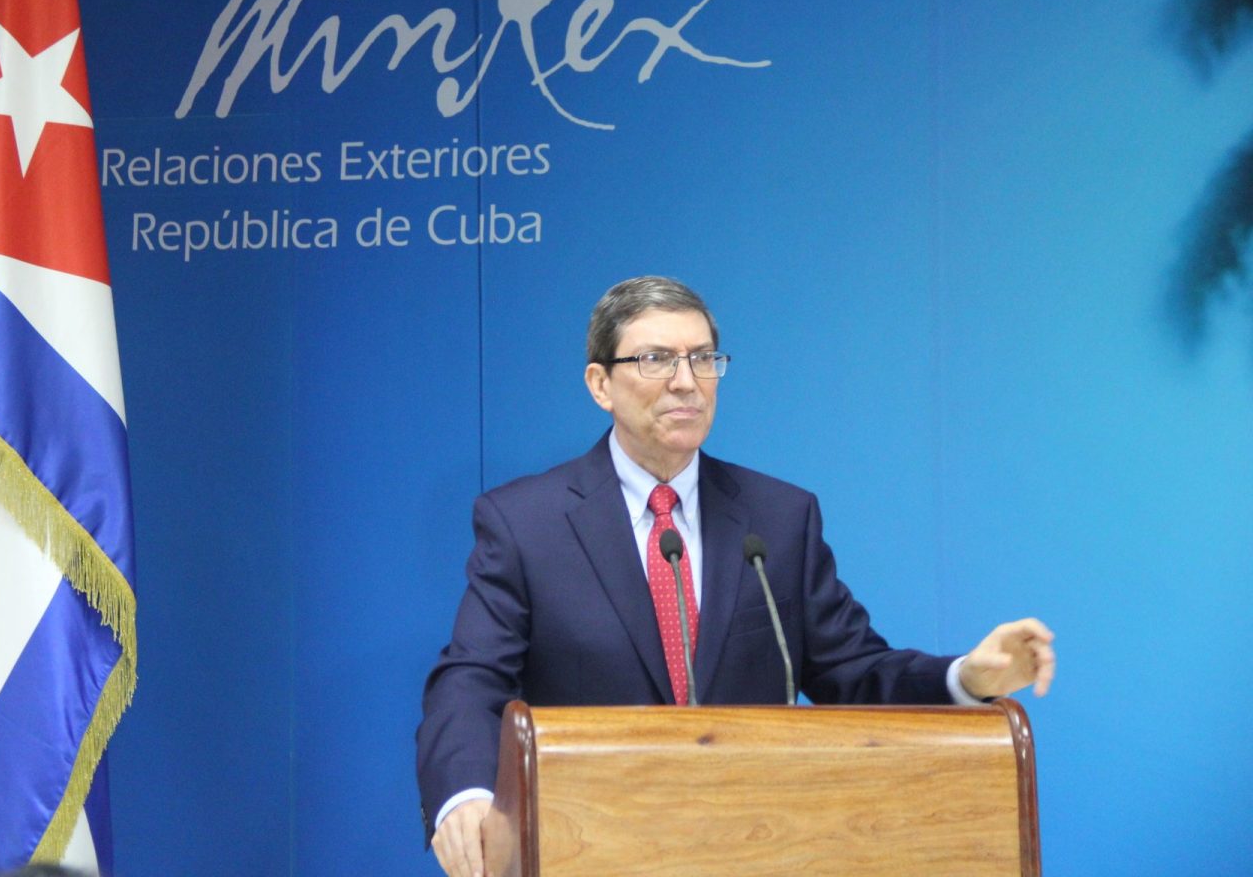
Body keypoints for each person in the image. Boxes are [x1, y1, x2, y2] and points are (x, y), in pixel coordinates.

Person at [415, 276, 1056, 877]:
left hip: (757, 845)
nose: (686, 382)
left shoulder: (777, 518)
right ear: (600, 384)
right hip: (589, 845)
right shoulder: (527, 523)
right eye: (656, 359)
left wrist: (967, 677)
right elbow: (471, 679)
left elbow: (853, 672)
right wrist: (465, 797)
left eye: (703, 359)